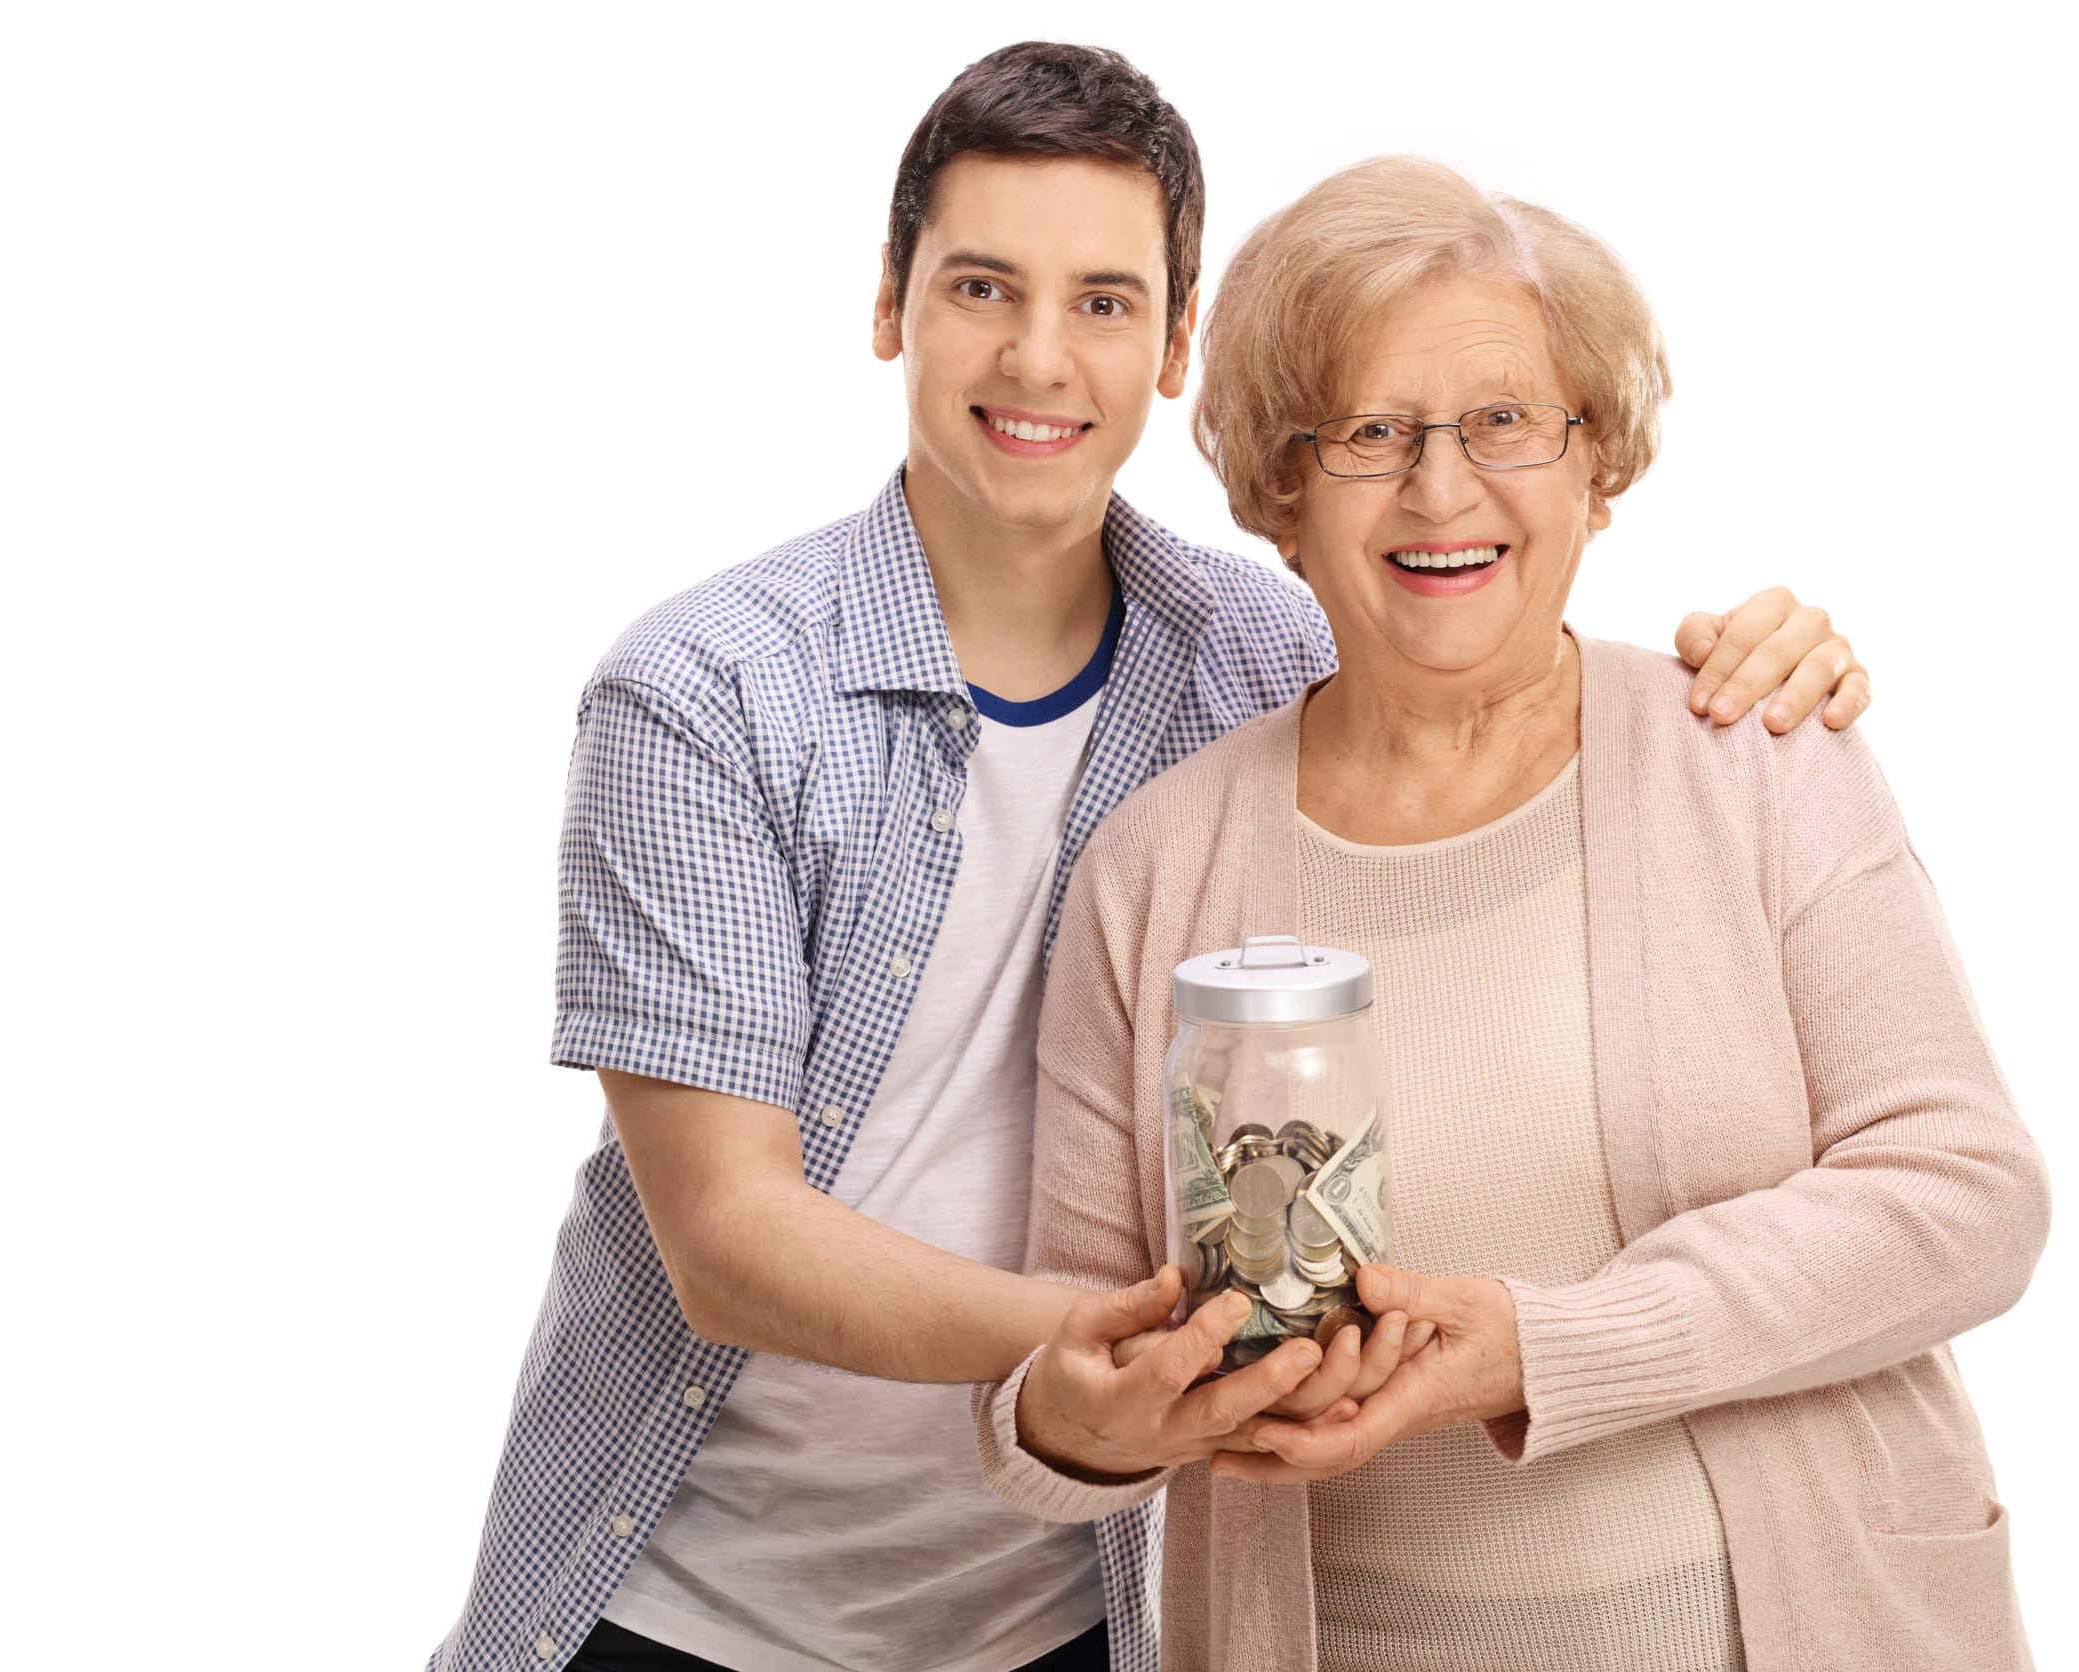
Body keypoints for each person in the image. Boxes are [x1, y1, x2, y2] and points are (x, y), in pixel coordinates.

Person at [430, 45, 1875, 1672]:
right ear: (891, 303)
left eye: (1107, 302)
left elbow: (1470, 607)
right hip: (698, 1597)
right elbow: (730, 1244)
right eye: (984, 286)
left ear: (1177, 345)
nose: (1041, 357)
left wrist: (1749, 666)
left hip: (1077, 1597)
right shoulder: (705, 694)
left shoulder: (1260, 653)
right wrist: (1143, 1341)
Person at [979, 156, 2050, 1672]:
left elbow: (1970, 1198)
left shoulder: (1751, 757)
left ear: (1596, 464)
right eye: (1368, 432)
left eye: (1504, 422)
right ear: (1281, 495)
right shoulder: (1157, 868)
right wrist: (1078, 1421)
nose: (1441, 488)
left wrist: (1541, 1352)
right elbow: (1063, 1363)